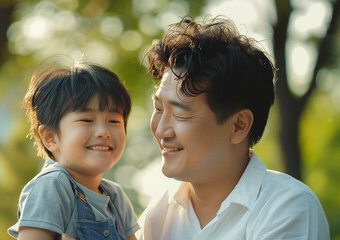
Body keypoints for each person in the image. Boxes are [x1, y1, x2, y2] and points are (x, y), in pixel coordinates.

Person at [137, 16, 330, 239]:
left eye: (180, 113)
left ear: (238, 126)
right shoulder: (159, 212)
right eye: (158, 108)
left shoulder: (287, 207)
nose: (161, 131)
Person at [8, 62, 139, 240]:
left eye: (114, 121)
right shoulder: (52, 186)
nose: (104, 132)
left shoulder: (115, 197)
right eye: (87, 120)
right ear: (50, 137)